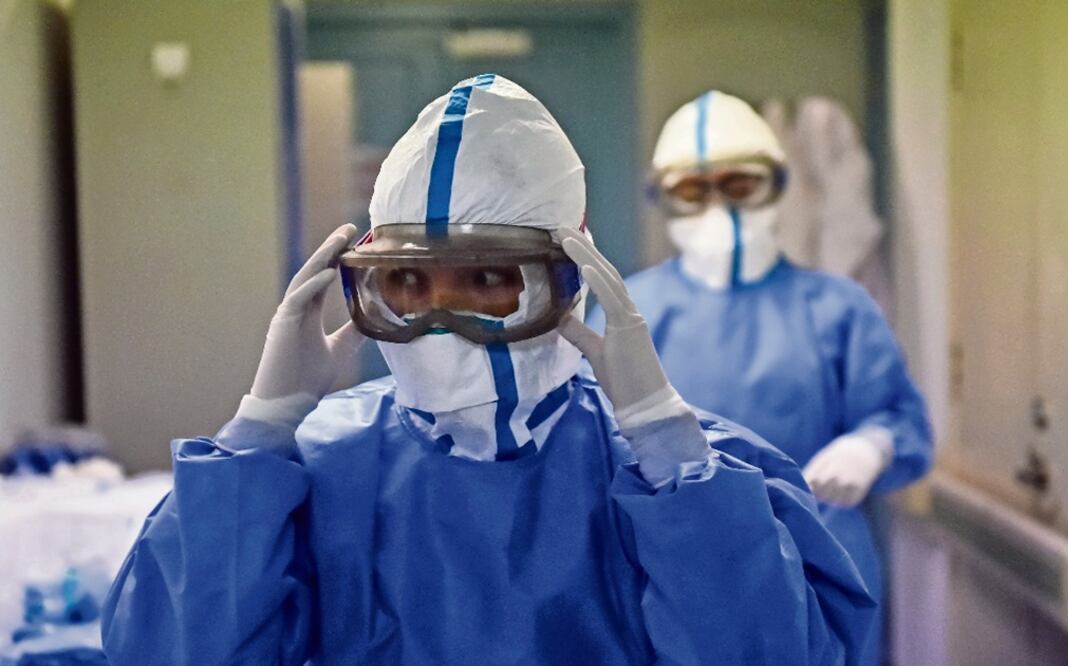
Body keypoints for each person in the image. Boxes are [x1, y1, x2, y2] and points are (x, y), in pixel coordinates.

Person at [101, 75, 874, 665]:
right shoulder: (315, 466)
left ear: (565, 283)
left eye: (486, 282)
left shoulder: (688, 478)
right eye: (408, 285)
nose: (443, 321)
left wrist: (669, 455)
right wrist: (260, 431)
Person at [591, 90, 934, 665]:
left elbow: (901, 418)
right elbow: (589, 434)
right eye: (693, 191)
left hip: (817, 562)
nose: (718, 206)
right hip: (674, 566)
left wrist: (872, 444)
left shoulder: (836, 307)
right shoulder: (630, 313)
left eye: (739, 184)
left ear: (777, 185)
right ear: (663, 199)